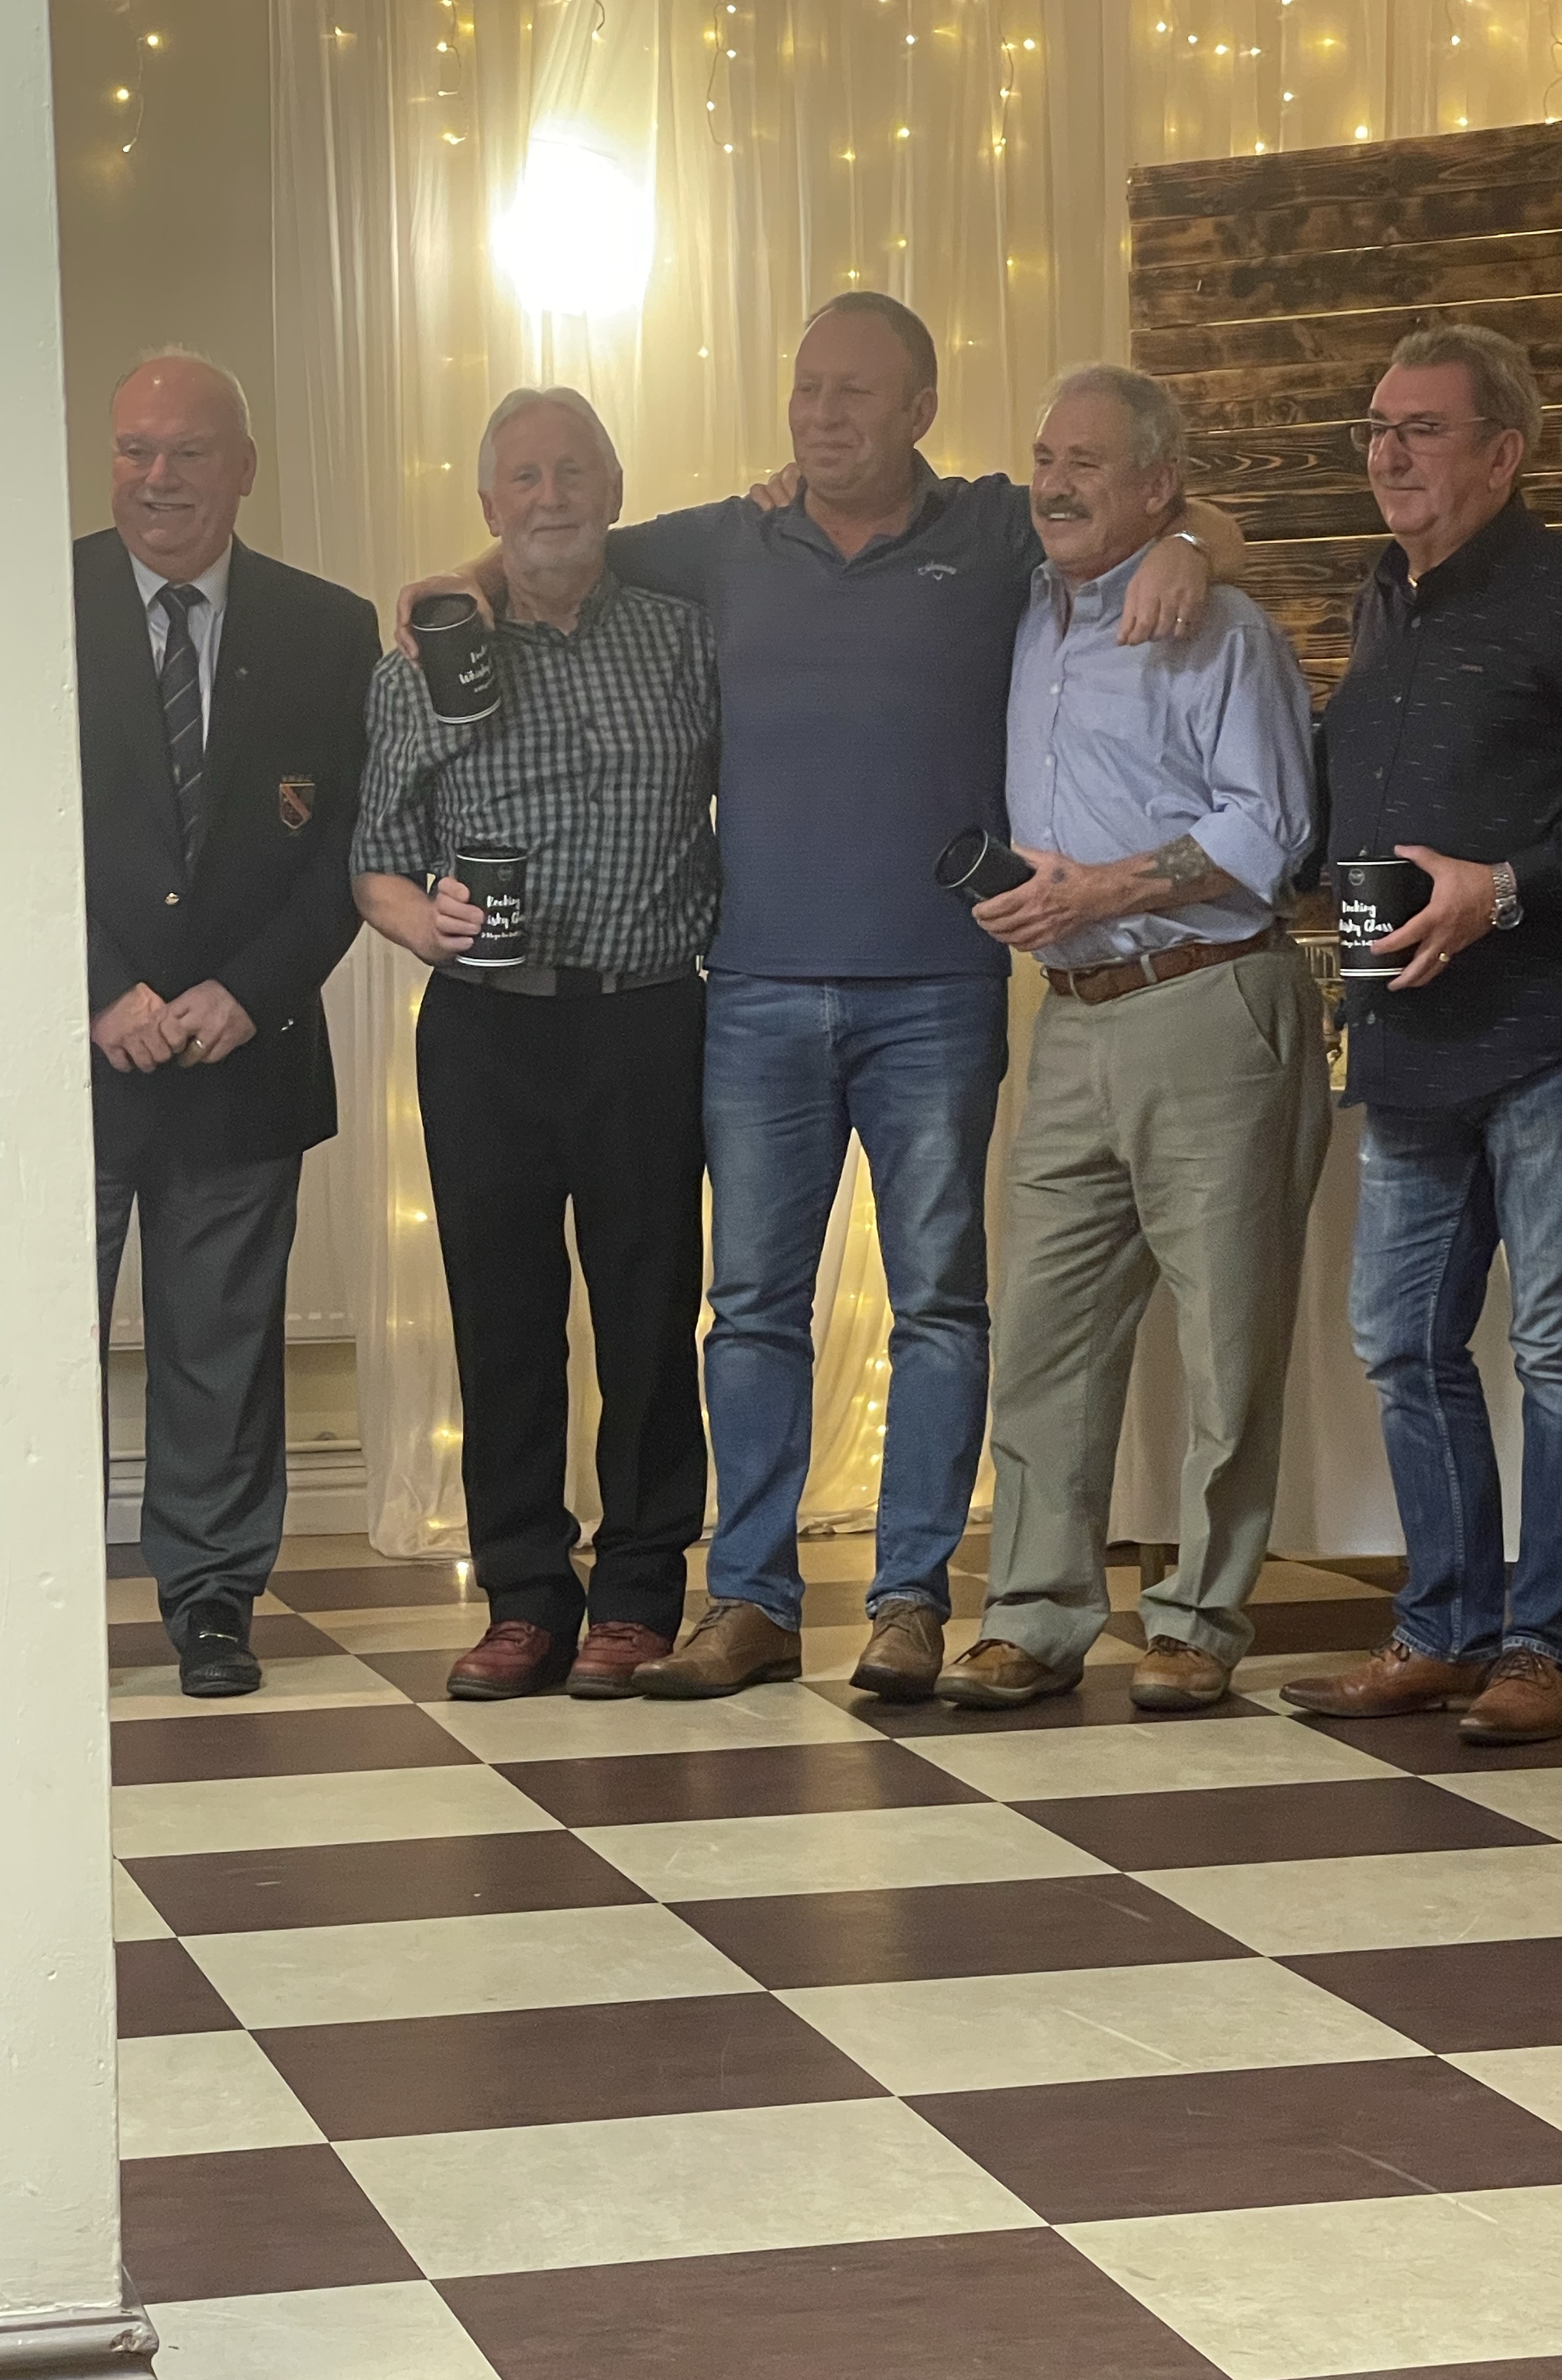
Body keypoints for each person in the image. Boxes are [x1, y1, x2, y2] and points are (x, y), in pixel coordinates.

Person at [396, 294, 1244, 1704]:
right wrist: (466, 581)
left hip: (937, 991)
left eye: (857, 392)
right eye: (808, 389)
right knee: (750, 1310)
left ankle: (908, 1602)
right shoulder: (729, 540)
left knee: (940, 1305)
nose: (824, 416)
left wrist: (1193, 546)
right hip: (756, 991)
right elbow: (568, 538)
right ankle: (751, 1602)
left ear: (920, 410)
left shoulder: (993, 526)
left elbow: (1188, 518)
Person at [1279, 324, 1562, 1747]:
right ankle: (1442, 1632)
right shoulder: (1382, 599)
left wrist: (1496, 891)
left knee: (1559, 1348)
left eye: (1421, 429)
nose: (1388, 453)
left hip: (1558, 1029)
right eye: (1376, 428)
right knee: (1400, 1342)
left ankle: (1547, 1652)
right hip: (1410, 1037)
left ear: (1504, 454)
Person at [934, 365, 1327, 1715]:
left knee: (1228, 1340)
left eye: (1088, 464)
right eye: (1045, 457)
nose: (1053, 484)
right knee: (1043, 1334)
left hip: (1210, 1000)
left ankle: (1200, 1620)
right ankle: (1035, 1617)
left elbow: (1268, 830)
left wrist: (1099, 890)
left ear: (1161, 486)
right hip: (1072, 1018)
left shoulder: (1221, 628)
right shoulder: (1023, 612)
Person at [352, 388, 720, 1700]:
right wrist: (423, 922)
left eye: (573, 472)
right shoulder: (427, 660)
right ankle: (523, 1600)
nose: (550, 496)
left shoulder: (686, 639)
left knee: (649, 1314)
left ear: (613, 491)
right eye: (524, 477)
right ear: (488, 506)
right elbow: (376, 860)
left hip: (649, 1016)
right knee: (502, 1321)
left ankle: (639, 1595)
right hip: (486, 1029)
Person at [82, 351, 377, 1699]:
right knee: (34, 1351)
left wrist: (250, 993)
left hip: (243, 1056)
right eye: (135, 449)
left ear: (243, 468)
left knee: (222, 1353)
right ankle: (31, 1597)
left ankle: (211, 1600)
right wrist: (98, 990)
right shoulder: (34, 605)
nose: (158, 478)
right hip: (67, 1066)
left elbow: (350, 849)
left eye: (188, 451)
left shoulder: (329, 629)